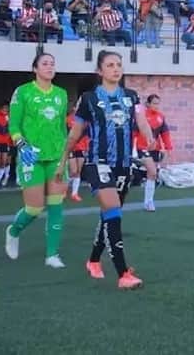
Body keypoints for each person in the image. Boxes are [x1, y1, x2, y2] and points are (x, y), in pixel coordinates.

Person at [73, 50, 152, 289]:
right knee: (114, 211)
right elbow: (75, 133)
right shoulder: (88, 98)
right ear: (100, 71)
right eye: (110, 65)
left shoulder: (132, 97)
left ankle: (93, 260)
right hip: (97, 163)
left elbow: (141, 121)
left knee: (109, 215)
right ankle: (123, 274)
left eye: (119, 64)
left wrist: (149, 140)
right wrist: (62, 160)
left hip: (123, 165)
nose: (116, 69)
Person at [4, 53, 70, 267]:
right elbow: (13, 125)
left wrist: (65, 155)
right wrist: (21, 145)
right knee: (34, 208)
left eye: (53, 63)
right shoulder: (23, 92)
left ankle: (52, 254)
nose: (50, 67)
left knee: (56, 206)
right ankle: (14, 231)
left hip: (56, 157)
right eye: (45, 64)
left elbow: (62, 127)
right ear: (35, 68)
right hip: (30, 156)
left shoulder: (61, 93)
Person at [137, 94, 174, 212]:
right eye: (154, 103)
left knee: (152, 174)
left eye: (158, 103)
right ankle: (148, 202)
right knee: (152, 171)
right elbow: (133, 132)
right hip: (142, 147)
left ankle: (148, 202)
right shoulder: (141, 116)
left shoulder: (161, 117)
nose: (156, 106)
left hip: (155, 149)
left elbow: (165, 134)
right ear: (148, 104)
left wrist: (168, 148)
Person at [66, 110, 89, 202]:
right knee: (73, 171)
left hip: (81, 147)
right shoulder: (68, 119)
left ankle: (74, 193)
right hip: (71, 147)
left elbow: (87, 132)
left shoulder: (85, 119)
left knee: (78, 171)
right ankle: (64, 190)